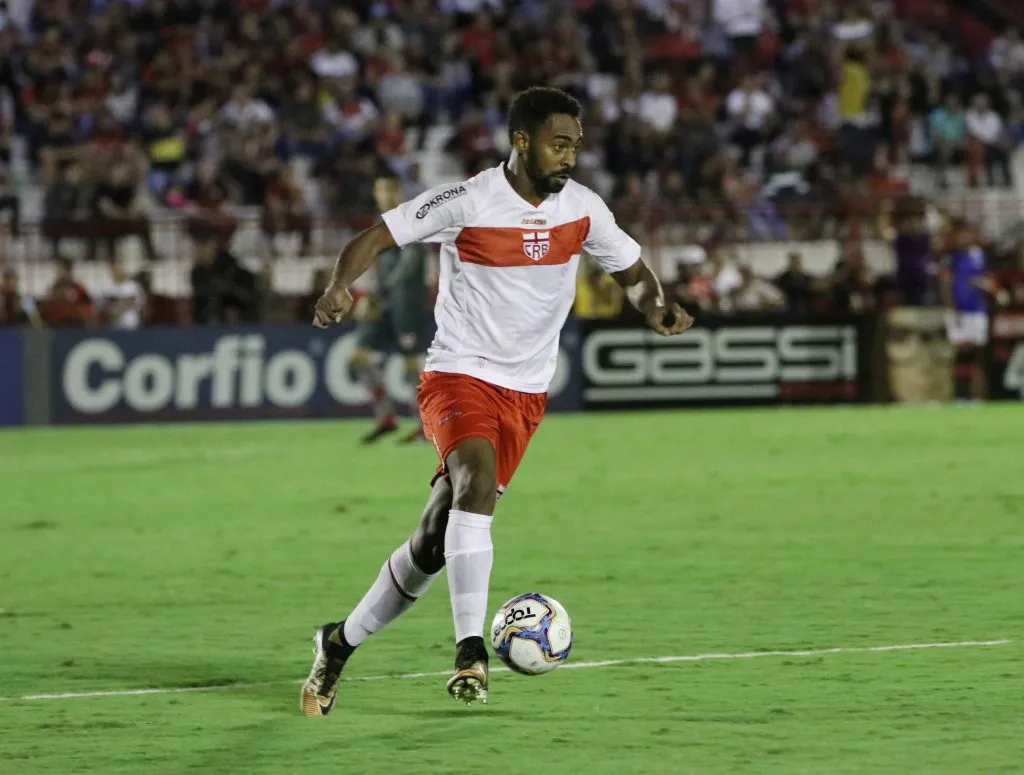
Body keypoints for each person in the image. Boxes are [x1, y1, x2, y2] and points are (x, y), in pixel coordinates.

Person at [301, 87, 693, 714]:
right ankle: (469, 652)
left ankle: (338, 642)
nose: (569, 156)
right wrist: (338, 287)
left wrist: (658, 308)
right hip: (458, 374)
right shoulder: (469, 200)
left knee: (434, 542)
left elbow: (634, 274)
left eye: (575, 145)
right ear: (521, 141)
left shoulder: (583, 210)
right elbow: (378, 236)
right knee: (474, 484)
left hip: (526, 394)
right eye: (558, 143)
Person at [351, 172, 430, 444]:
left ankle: (425, 425)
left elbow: (411, 259)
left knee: (410, 363)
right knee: (358, 357)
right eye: (379, 191)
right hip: (384, 302)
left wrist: (385, 289)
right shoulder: (380, 223)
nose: (383, 196)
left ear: (397, 191)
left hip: (406, 303)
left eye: (388, 190)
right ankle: (386, 416)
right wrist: (368, 294)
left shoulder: (409, 219)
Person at [940, 218, 992, 401]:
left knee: (977, 352)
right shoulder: (951, 257)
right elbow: (945, 283)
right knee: (961, 351)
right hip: (959, 310)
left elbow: (989, 281)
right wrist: (952, 309)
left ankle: (977, 394)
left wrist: (985, 286)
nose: (965, 237)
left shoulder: (981, 255)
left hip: (977, 310)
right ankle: (959, 394)